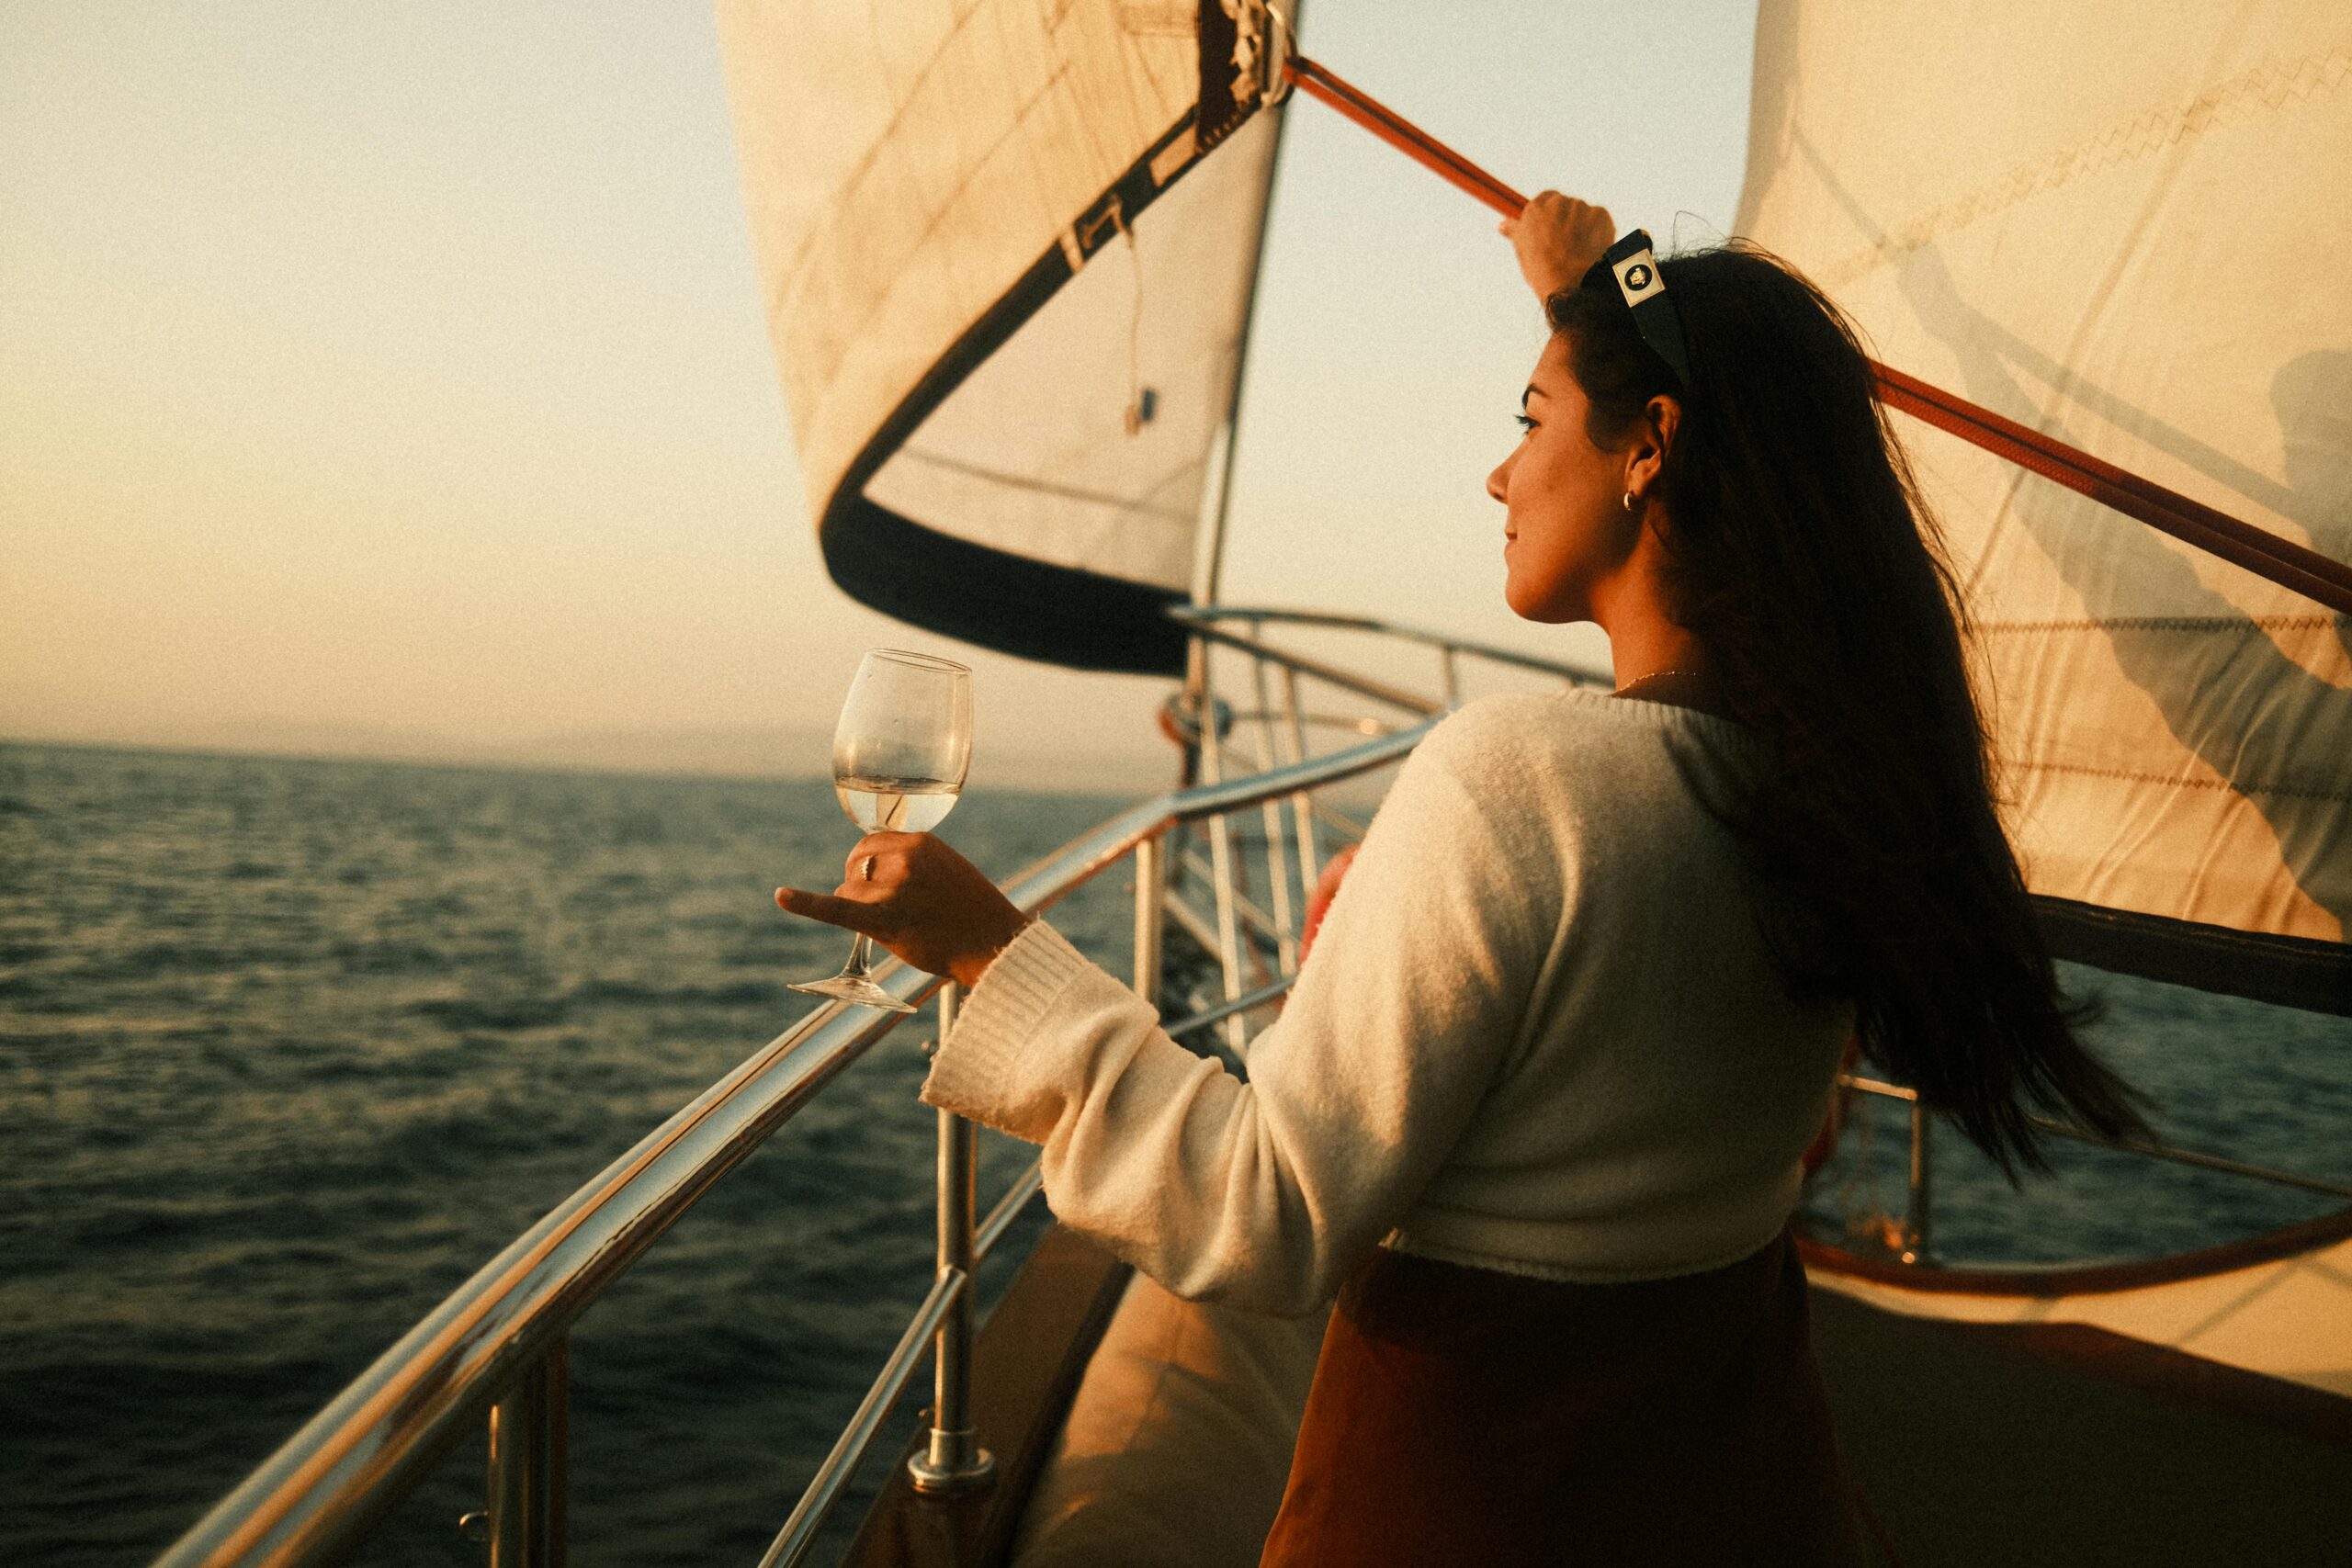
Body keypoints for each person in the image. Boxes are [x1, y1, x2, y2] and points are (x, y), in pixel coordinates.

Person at [776, 193, 2149, 1565]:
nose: (1500, 477)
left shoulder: (1516, 781)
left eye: (1529, 421)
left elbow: (1263, 1214)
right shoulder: (1829, 787)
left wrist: (990, 951)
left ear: (1651, 446)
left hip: (1469, 1509)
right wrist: (1582, 300)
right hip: (1741, 1490)